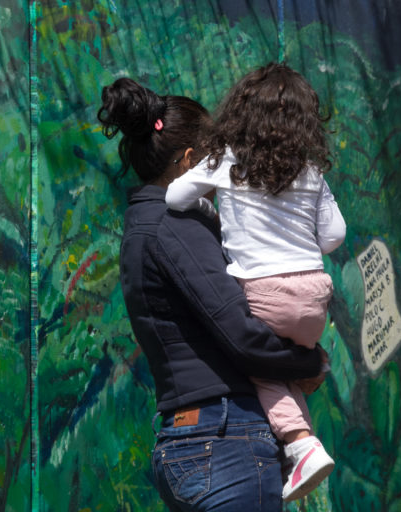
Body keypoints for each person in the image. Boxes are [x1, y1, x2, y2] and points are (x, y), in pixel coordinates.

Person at [97, 77, 328, 511]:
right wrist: (310, 362)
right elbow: (241, 335)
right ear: (189, 162)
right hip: (224, 442)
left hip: (189, 441)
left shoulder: (140, 228)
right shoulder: (174, 226)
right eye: (215, 160)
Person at [165, 62, 346, 502]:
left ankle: (299, 440)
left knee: (256, 363)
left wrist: (214, 210)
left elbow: (173, 197)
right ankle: (300, 446)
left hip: (264, 293)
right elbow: (334, 237)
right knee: (281, 372)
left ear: (239, 114)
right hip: (314, 298)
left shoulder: (226, 160)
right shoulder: (310, 172)